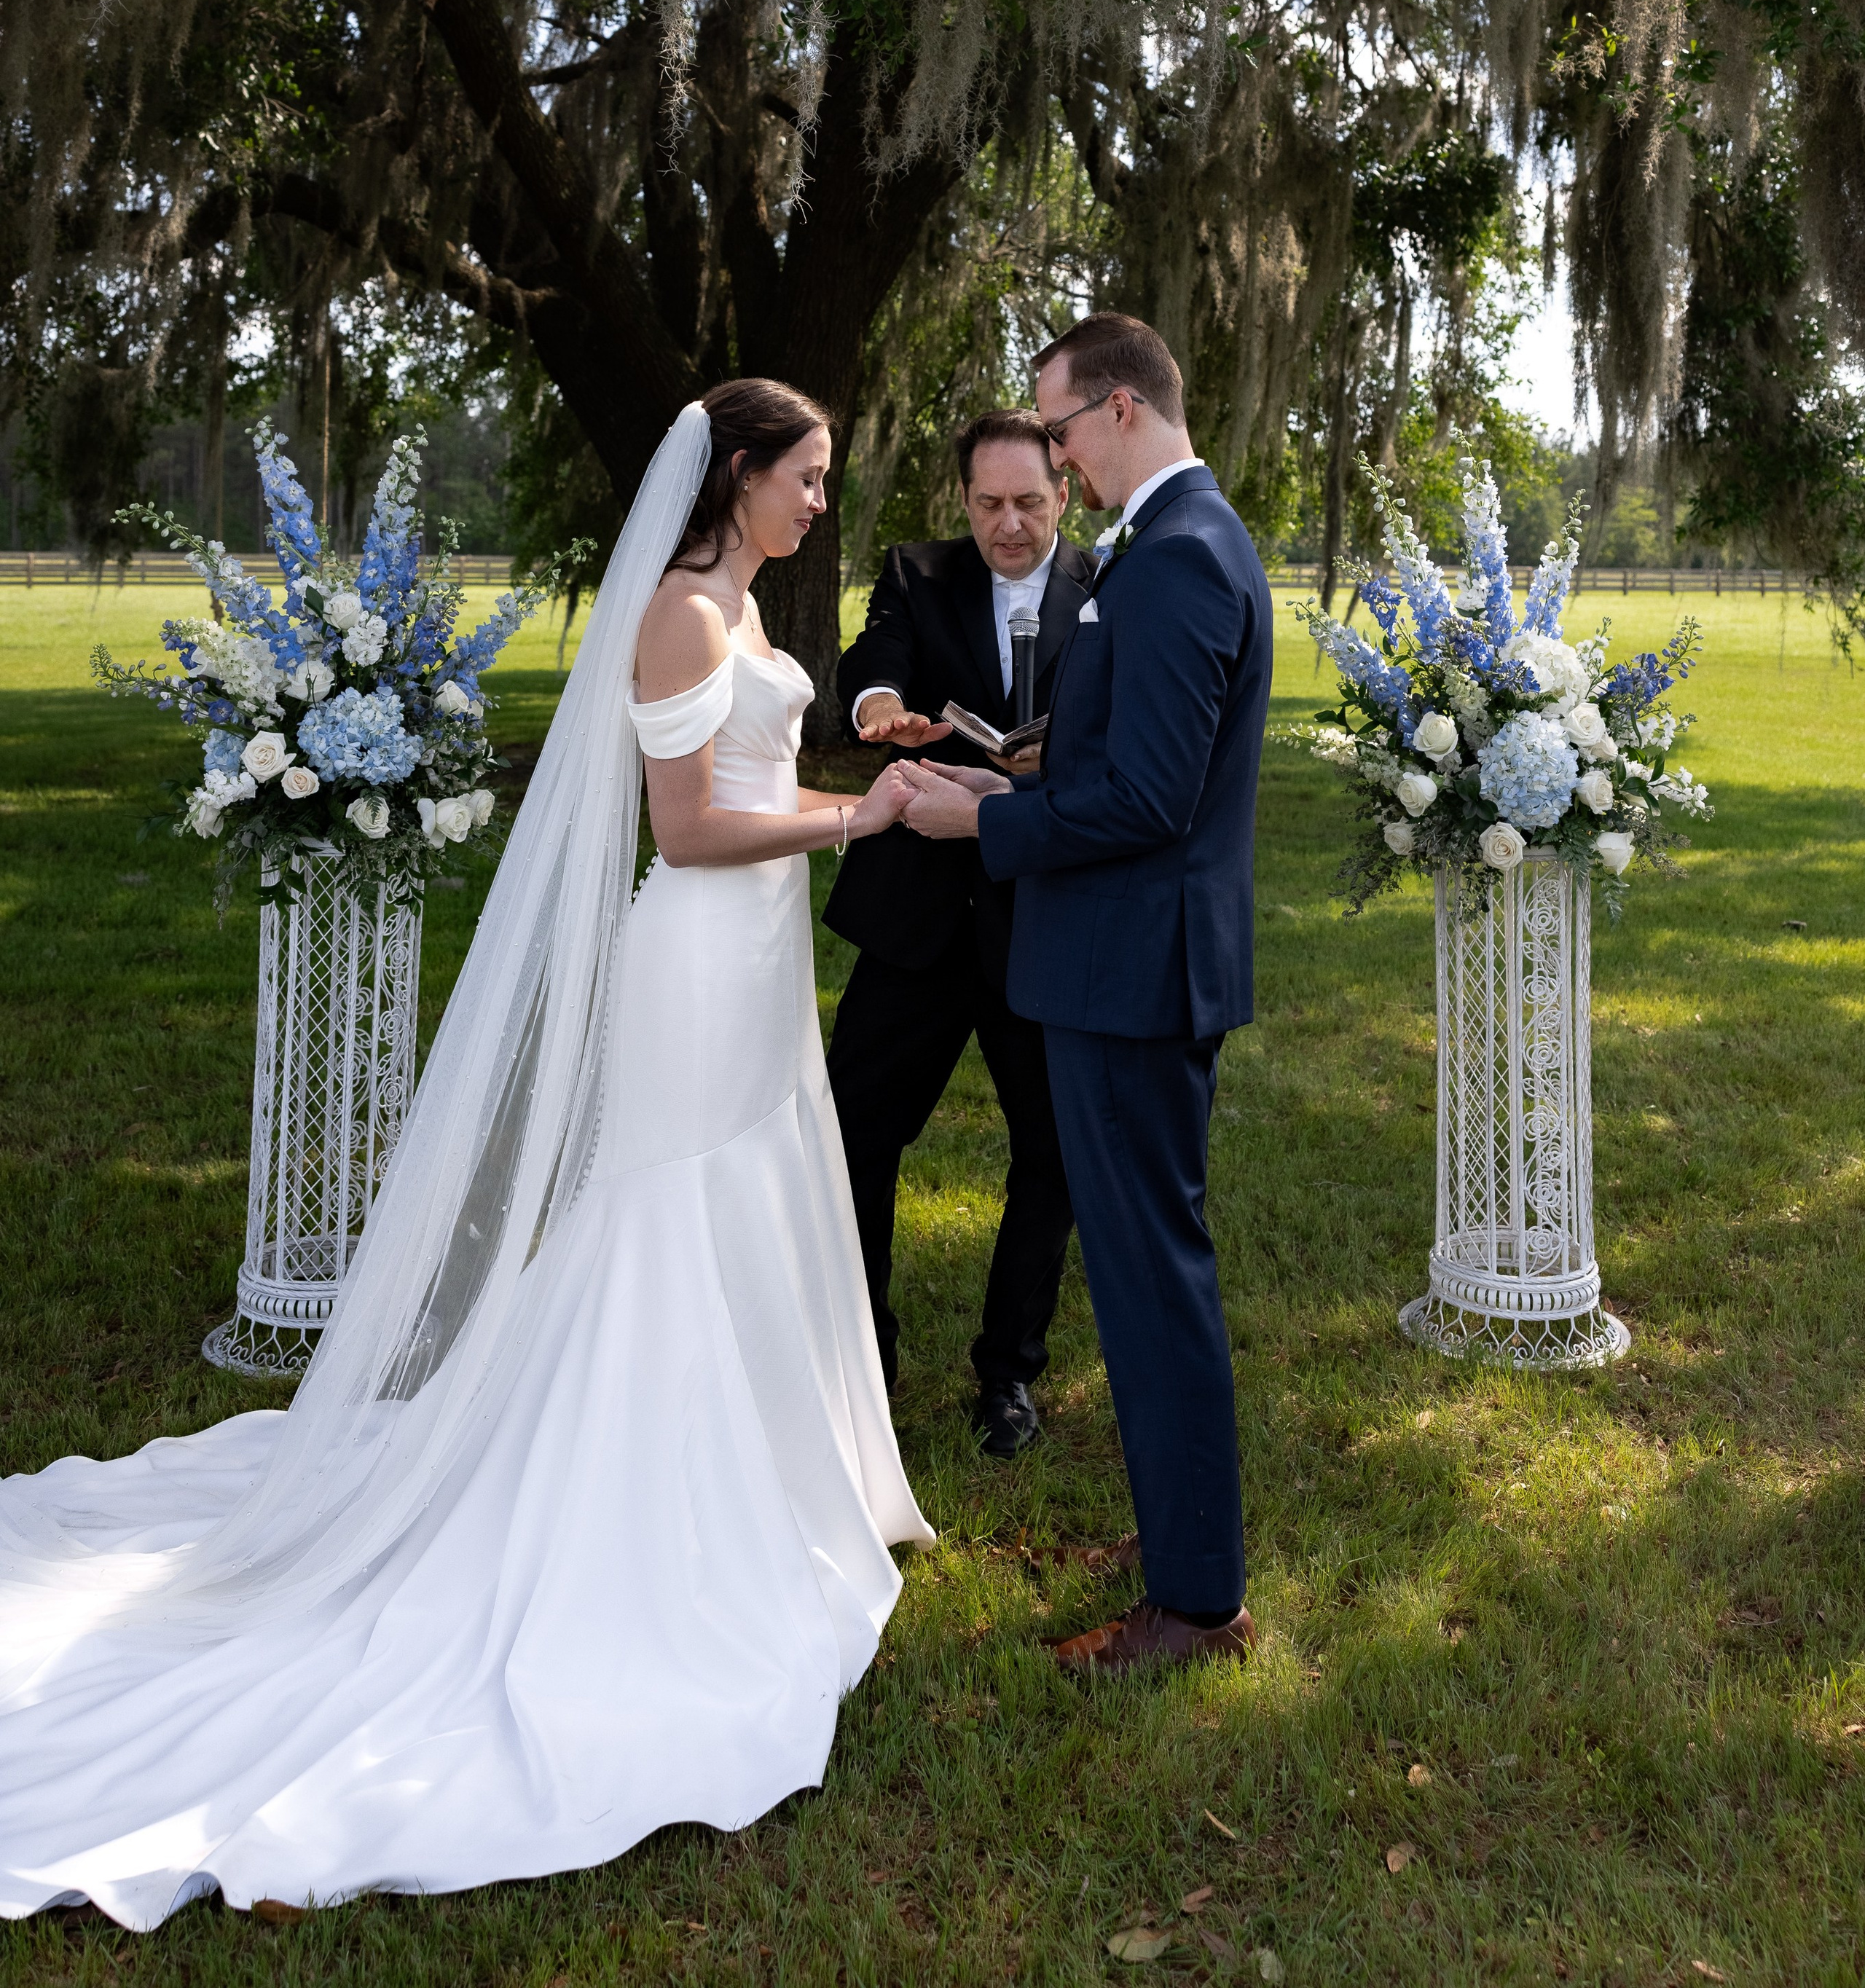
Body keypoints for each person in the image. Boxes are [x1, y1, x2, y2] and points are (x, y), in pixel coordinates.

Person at [0, 382, 932, 1930]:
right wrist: (865, 819)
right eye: (810, 477)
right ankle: (655, 1506)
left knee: (755, 1201)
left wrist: (865, 748)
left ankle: (781, 1480)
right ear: (741, 476)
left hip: (756, 973)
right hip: (698, 967)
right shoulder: (681, 618)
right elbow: (692, 832)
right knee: (671, 1223)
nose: (823, 501)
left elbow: (763, 763)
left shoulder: (738, 612)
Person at [897, 313, 1272, 1674]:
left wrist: (984, 829)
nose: (1052, 456)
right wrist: (1008, 778)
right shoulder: (1176, 542)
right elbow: (1120, 765)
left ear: (1116, 409)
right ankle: (1179, 1541)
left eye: (1055, 431)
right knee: (1134, 1277)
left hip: (1132, 974)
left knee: (1155, 1279)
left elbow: (1154, 801)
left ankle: (1195, 1603)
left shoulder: (1176, 557)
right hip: (1124, 960)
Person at [823, 411, 1094, 1454]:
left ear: (1063, 492)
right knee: (854, 1138)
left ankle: (1009, 1372)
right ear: (964, 502)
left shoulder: (1111, 585)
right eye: (989, 504)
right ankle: (863, 1358)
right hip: (918, 919)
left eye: (1030, 501)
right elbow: (871, 659)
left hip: (1047, 917)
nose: (1010, 524)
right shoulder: (917, 572)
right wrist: (882, 707)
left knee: (1056, 1152)